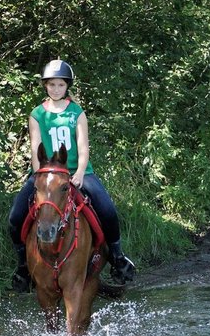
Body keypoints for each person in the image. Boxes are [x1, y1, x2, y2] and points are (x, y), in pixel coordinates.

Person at [8, 59, 136, 291]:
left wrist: (78, 174)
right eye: (52, 85)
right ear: (45, 86)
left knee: (107, 209)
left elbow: (84, 147)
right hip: (45, 175)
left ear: (67, 87)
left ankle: (118, 258)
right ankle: (23, 267)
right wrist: (39, 176)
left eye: (60, 85)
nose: (56, 89)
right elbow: (35, 148)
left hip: (78, 172)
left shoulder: (77, 113)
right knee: (15, 217)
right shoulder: (36, 115)